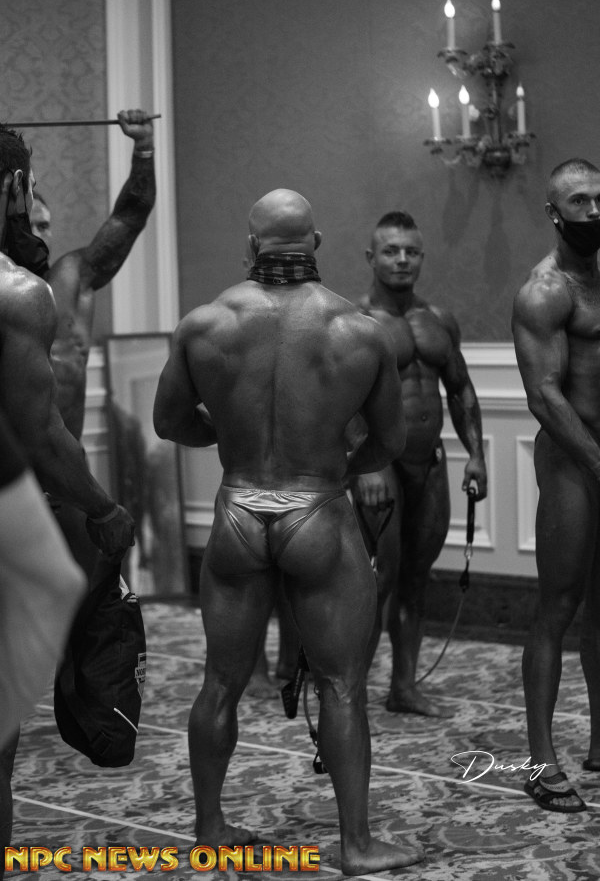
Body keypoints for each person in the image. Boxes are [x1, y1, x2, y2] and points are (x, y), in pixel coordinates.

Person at [153, 189, 423, 874]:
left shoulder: (203, 324)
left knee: (219, 682)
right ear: (317, 244)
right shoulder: (360, 329)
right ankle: (356, 844)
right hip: (318, 510)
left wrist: (232, 439)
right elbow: (390, 442)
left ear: (251, 247)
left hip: (238, 510)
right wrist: (335, 466)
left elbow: (170, 422)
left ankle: (210, 829)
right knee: (341, 685)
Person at [0, 124, 135, 868]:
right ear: (14, 190)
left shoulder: (63, 279)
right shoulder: (18, 295)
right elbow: (43, 436)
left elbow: (128, 218)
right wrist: (105, 509)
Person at [350, 210, 487, 717]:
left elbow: (461, 388)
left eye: (411, 251)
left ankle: (403, 687)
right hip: (379, 462)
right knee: (379, 579)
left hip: (428, 462)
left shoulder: (439, 320)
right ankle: (350, 694)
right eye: (391, 251)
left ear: (422, 257)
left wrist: (476, 455)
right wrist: (364, 467)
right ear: (371, 257)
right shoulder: (353, 321)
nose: (402, 260)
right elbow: (339, 401)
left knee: (416, 576)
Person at [32, 110, 156, 578]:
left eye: (46, 225)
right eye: (31, 224)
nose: (40, 235)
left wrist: (143, 148)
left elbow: (129, 217)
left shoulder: (71, 277)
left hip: (68, 481)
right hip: (11, 480)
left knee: (93, 602)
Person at [512, 157, 600, 813]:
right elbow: (544, 394)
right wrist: (597, 461)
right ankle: (541, 762)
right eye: (579, 201)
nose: (593, 210)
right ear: (554, 212)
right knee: (558, 605)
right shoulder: (544, 291)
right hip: (573, 459)